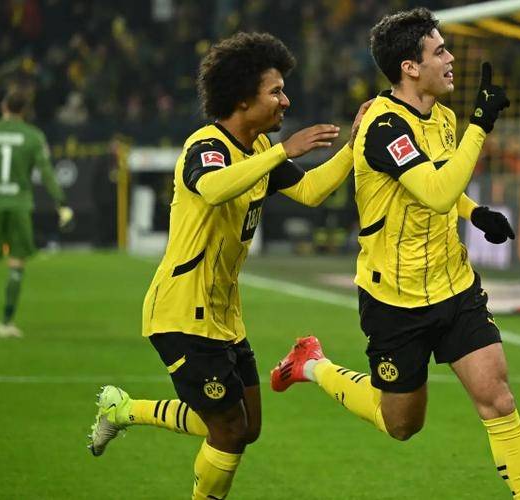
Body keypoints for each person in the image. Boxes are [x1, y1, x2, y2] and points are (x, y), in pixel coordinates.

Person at [271, 9, 520, 499]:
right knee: (402, 425)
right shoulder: (382, 128)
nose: (451, 58)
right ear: (410, 67)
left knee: (498, 400)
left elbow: (439, 183)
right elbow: (436, 192)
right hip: (395, 301)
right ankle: (312, 364)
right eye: (439, 51)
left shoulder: (443, 117)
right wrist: (481, 124)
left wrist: (476, 212)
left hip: (454, 287)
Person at [86, 32, 371, 500]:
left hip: (224, 316)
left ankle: (124, 410)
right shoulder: (207, 145)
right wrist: (284, 150)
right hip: (180, 313)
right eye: (275, 91)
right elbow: (214, 187)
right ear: (242, 99)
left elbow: (311, 191)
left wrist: (353, 147)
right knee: (229, 432)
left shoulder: (258, 150)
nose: (286, 101)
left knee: (246, 427)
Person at [0, 90, 73, 339]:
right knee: (16, 262)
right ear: (24, 111)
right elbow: (46, 172)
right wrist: (61, 202)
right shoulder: (33, 136)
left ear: (4, 106)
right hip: (18, 204)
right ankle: (6, 323)